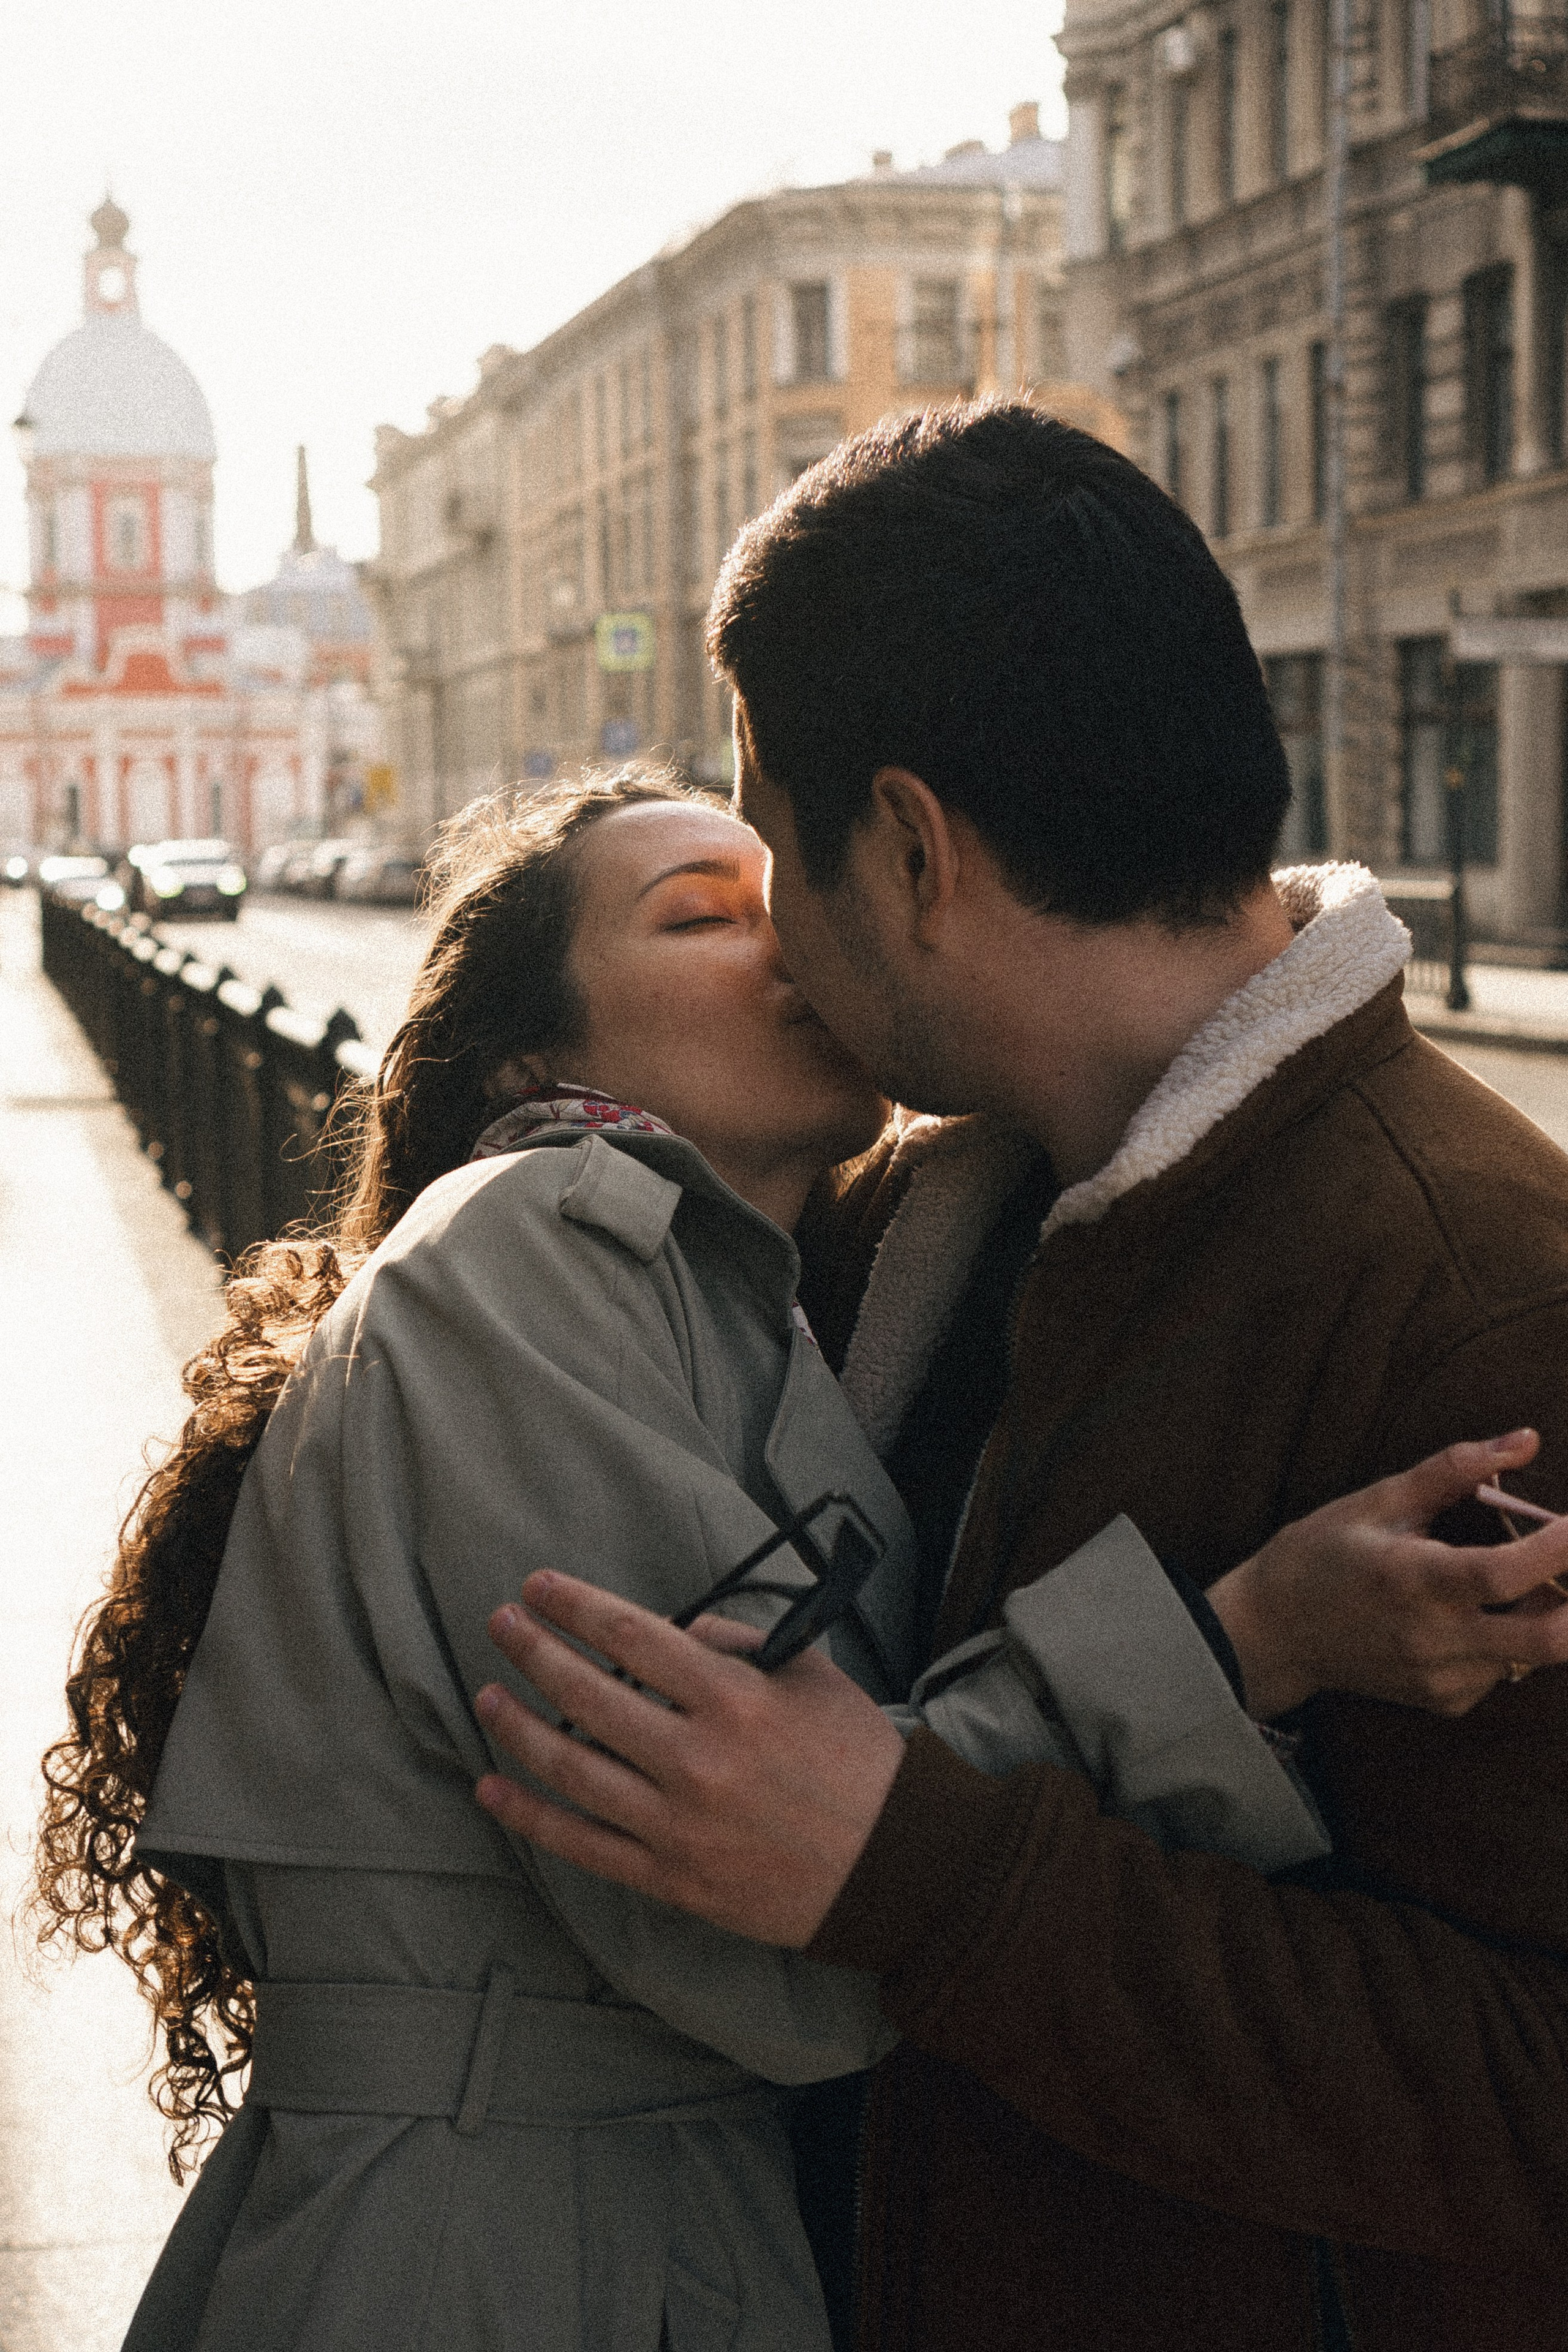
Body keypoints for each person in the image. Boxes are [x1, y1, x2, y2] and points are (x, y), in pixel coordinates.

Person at [472, 404, 1568, 2352]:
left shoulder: (1477, 1294)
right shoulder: (924, 1219)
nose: (778, 942)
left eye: (771, 847)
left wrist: (927, 1870)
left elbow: (1531, 2093)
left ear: (907, 853)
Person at [37, 772, 1357, 2352]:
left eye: (780, 886)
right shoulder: (524, 1246)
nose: (782, 932)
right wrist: (1240, 1644)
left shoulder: (727, 1296)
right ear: (537, 1055)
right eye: (699, 916)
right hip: (503, 2265)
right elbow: (765, 1928)